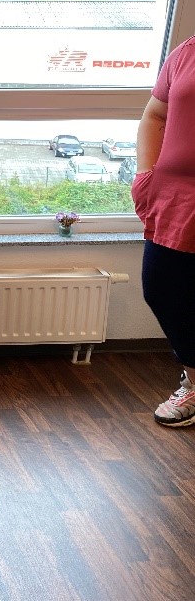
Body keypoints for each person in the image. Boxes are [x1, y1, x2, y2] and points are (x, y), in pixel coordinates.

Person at [134, 34, 195, 426]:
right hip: (177, 196)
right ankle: (193, 380)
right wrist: (146, 171)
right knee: (162, 288)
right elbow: (155, 115)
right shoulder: (186, 52)